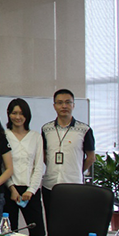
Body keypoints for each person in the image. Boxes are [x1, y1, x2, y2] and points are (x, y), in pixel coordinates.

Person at [41, 89, 95, 222]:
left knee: (72, 222)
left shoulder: (84, 129)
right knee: (51, 222)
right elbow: (44, 154)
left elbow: (91, 157)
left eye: (68, 102)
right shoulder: (46, 129)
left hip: (73, 185)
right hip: (50, 185)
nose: (64, 106)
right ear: (54, 106)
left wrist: (76, 170)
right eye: (59, 103)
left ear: (73, 105)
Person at [3, 98, 45, 236]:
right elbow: (2, 167)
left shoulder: (36, 137)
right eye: (14, 113)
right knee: (9, 232)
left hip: (30, 190)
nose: (18, 117)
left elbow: (38, 166)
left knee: (38, 233)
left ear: (27, 115)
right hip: (9, 189)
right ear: (9, 114)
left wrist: (31, 190)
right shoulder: (4, 136)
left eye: (21, 113)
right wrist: (12, 189)